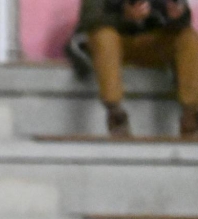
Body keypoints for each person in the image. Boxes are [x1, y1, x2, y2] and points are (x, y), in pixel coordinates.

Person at [74, 0, 198, 138]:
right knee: (103, 35)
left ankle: (190, 114)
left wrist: (176, 15)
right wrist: (126, 18)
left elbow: (184, 19)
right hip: (116, 43)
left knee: (188, 37)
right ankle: (115, 113)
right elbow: (90, 20)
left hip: (154, 43)